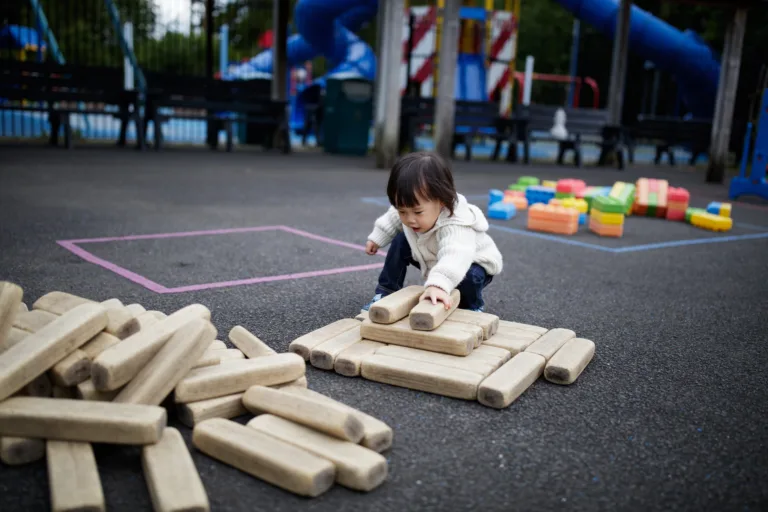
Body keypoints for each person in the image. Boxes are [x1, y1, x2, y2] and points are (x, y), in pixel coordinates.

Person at [362, 151, 503, 313]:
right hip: (436, 255)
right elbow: (392, 217)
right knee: (401, 240)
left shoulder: (456, 223)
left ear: (441, 201)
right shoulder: (409, 209)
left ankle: (472, 306)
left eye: (417, 212)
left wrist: (438, 286)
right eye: (403, 211)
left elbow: (455, 256)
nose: (409, 219)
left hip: (471, 262)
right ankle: (386, 292)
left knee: (468, 279)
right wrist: (377, 238)